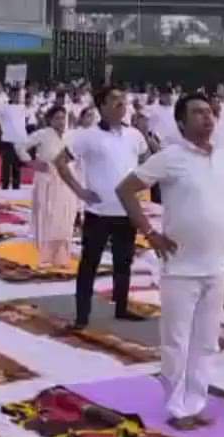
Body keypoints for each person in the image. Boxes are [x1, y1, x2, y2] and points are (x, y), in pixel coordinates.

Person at [115, 94, 224, 431]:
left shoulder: (222, 158)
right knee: (177, 340)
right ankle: (177, 407)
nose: (206, 118)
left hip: (217, 264)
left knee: (206, 341)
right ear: (181, 122)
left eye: (209, 112)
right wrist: (150, 232)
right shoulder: (171, 157)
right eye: (197, 113)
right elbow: (125, 189)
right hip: (181, 266)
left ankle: (196, 401)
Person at [54, 87, 151, 329]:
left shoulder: (134, 135)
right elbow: (60, 161)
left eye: (123, 99)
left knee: (124, 261)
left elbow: (145, 159)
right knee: (90, 263)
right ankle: (82, 315)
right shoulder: (87, 136)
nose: (121, 104)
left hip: (126, 211)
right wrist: (80, 191)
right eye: (114, 100)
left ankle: (121, 306)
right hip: (98, 212)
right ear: (101, 106)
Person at [18, 106, 78, 269]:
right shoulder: (43, 134)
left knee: (65, 217)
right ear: (50, 120)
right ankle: (44, 257)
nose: (60, 121)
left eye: (63, 118)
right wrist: (31, 162)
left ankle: (61, 256)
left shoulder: (70, 135)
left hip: (65, 181)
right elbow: (20, 147)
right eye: (57, 118)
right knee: (47, 216)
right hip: (47, 179)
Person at [0, 89, 28, 191]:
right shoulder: (4, 107)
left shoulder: (23, 107)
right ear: (10, 95)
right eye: (13, 94)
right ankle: (4, 186)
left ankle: (16, 187)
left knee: (17, 165)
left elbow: (26, 120)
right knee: (6, 164)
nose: (16, 96)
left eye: (17, 95)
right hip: (7, 139)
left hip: (20, 140)